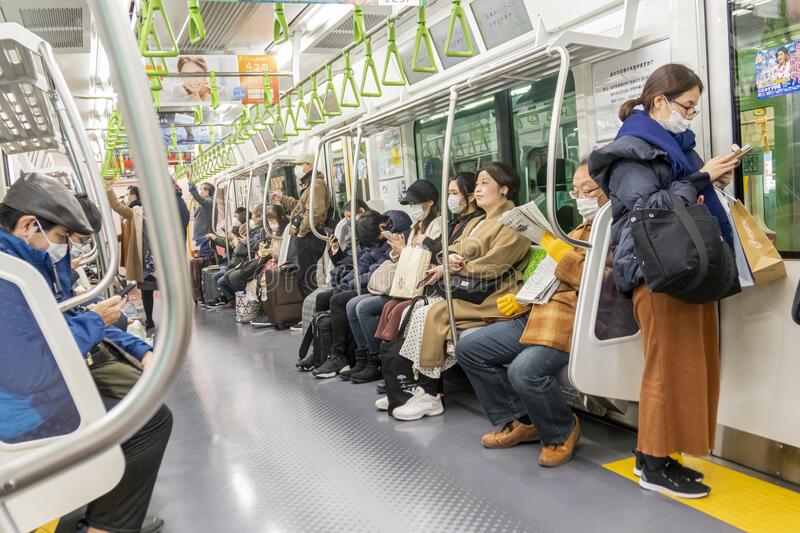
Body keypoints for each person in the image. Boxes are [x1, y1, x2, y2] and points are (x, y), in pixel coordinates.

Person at [589, 63, 738, 498]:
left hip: (685, 267)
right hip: (658, 270)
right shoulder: (630, 151)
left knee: (686, 366)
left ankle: (657, 454)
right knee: (667, 368)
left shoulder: (672, 148)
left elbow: (678, 191)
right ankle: (653, 464)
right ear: (660, 101)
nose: (690, 116)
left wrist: (707, 180)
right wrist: (701, 178)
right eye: (687, 107)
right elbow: (647, 210)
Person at [0, 173, 171, 533]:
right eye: (62, 237)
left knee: (133, 402)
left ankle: (107, 513)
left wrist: (138, 348)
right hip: (23, 418)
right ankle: (105, 526)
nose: (65, 248)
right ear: (28, 226)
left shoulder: (23, 265)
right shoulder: (8, 279)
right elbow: (30, 371)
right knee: (148, 421)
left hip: (33, 399)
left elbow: (65, 315)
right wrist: (95, 321)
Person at [455, 160, 603, 467]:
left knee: (524, 371)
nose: (580, 198)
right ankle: (522, 420)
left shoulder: (612, 230)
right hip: (537, 312)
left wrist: (560, 253)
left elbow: (601, 282)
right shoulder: (577, 229)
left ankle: (561, 430)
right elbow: (549, 274)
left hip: (569, 320)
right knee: (469, 347)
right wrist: (522, 299)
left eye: (588, 190)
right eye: (575, 192)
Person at [388, 163, 531, 421]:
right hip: (474, 292)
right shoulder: (479, 221)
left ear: (504, 189)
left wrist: (457, 266)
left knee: (434, 312)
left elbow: (495, 264)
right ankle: (421, 387)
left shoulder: (514, 222)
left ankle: (430, 394)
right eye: (477, 184)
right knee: (419, 310)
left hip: (495, 295)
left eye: (485, 183)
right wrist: (450, 258)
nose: (479, 189)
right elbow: (453, 247)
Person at [342, 180, 442, 384]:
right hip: (407, 283)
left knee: (364, 308)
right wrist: (398, 251)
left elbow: (430, 259)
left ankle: (380, 362)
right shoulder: (415, 227)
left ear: (430, 202)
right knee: (352, 305)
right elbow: (407, 259)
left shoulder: (437, 226)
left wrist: (404, 251)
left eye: (415, 203)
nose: (412, 208)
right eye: (409, 204)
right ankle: (367, 358)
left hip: (424, 286)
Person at [310, 209, 412, 378]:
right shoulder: (376, 234)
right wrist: (345, 281)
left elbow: (378, 269)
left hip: (386, 283)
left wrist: (348, 285)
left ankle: (352, 357)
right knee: (324, 297)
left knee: (343, 301)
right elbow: (361, 262)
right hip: (371, 279)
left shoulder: (396, 237)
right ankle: (323, 351)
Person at [271, 153, 331, 297]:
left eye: (300, 164)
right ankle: (311, 307)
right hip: (307, 235)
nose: (297, 168)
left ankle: (313, 308)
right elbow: (301, 206)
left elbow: (315, 213)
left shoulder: (316, 185)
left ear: (309, 165)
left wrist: (301, 231)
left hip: (310, 236)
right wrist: (283, 199)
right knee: (305, 276)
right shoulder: (310, 184)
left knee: (306, 278)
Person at [105, 183, 158, 330]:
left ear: (134, 195)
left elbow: (117, 206)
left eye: (128, 194)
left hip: (145, 257)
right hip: (149, 255)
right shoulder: (143, 211)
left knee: (147, 290)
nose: (126, 197)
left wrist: (108, 189)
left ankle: (150, 320)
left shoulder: (137, 211)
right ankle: (151, 319)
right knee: (149, 290)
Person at [188, 181, 216, 257]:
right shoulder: (204, 203)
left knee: (206, 256)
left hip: (205, 235)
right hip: (201, 235)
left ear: (207, 192)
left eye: (201, 189)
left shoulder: (209, 201)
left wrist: (191, 186)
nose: (199, 191)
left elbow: (198, 198)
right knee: (205, 256)